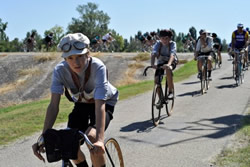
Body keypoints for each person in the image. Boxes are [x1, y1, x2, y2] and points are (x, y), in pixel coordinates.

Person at [32, 33, 119, 167]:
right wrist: (44, 136)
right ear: (65, 59)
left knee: (92, 137)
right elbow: (53, 106)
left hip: (104, 102)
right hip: (82, 104)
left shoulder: (98, 67)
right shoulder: (59, 71)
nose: (75, 62)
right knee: (68, 142)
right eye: (70, 58)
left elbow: (100, 105)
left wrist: (100, 140)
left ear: (88, 54)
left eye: (79, 56)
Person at [151, 29, 178, 99]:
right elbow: (153, 53)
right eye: (162, 38)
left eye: (167, 38)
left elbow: (172, 54)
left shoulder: (172, 44)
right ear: (160, 38)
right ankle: (161, 99)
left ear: (170, 38)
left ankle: (171, 92)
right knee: (157, 80)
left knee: (168, 70)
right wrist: (152, 64)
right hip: (161, 63)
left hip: (171, 62)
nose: (165, 40)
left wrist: (168, 64)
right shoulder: (158, 44)